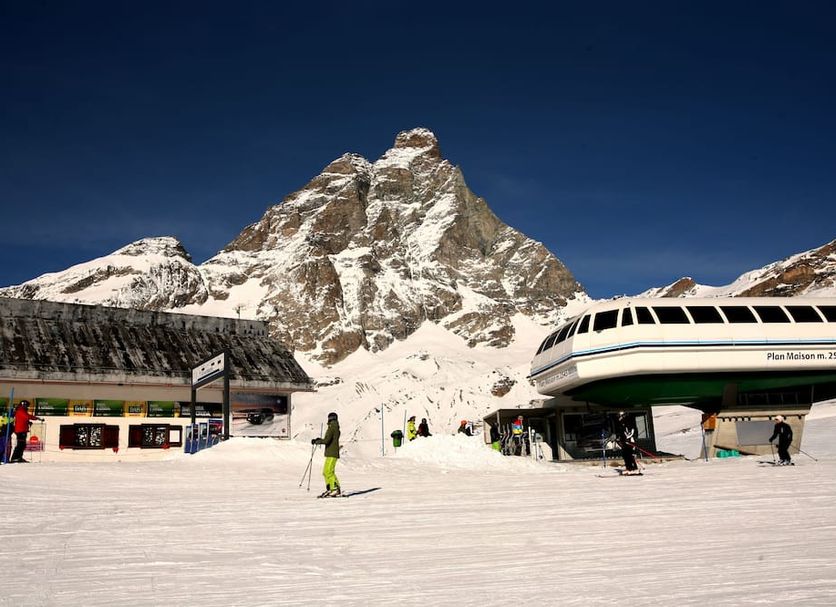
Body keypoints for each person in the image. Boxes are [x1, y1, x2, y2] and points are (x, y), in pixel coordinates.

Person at [312, 411, 341, 497]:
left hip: (332, 453)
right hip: (330, 453)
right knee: (326, 472)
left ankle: (335, 489)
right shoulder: (335, 427)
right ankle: (331, 488)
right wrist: (319, 440)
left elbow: (327, 440)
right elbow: (328, 439)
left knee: (328, 471)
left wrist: (317, 441)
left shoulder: (332, 428)